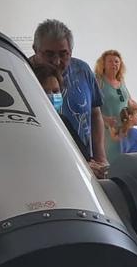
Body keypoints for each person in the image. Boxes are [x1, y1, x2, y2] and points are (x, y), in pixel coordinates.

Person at [31, 19, 107, 169]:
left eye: (63, 54)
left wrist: (101, 157)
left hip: (86, 163)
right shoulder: (24, 73)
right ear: (35, 49)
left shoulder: (83, 71)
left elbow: (95, 114)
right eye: (49, 54)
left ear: (71, 51)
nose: (57, 61)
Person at [32, 62, 92, 161]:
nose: (52, 96)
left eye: (55, 91)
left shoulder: (63, 121)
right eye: (45, 92)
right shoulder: (31, 125)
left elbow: (83, 156)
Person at [94, 49, 137, 165]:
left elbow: (130, 102)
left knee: (126, 162)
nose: (114, 64)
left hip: (124, 129)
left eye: (116, 62)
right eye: (110, 61)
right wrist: (105, 119)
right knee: (111, 162)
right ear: (103, 64)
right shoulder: (98, 81)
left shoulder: (121, 80)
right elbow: (92, 106)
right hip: (108, 130)